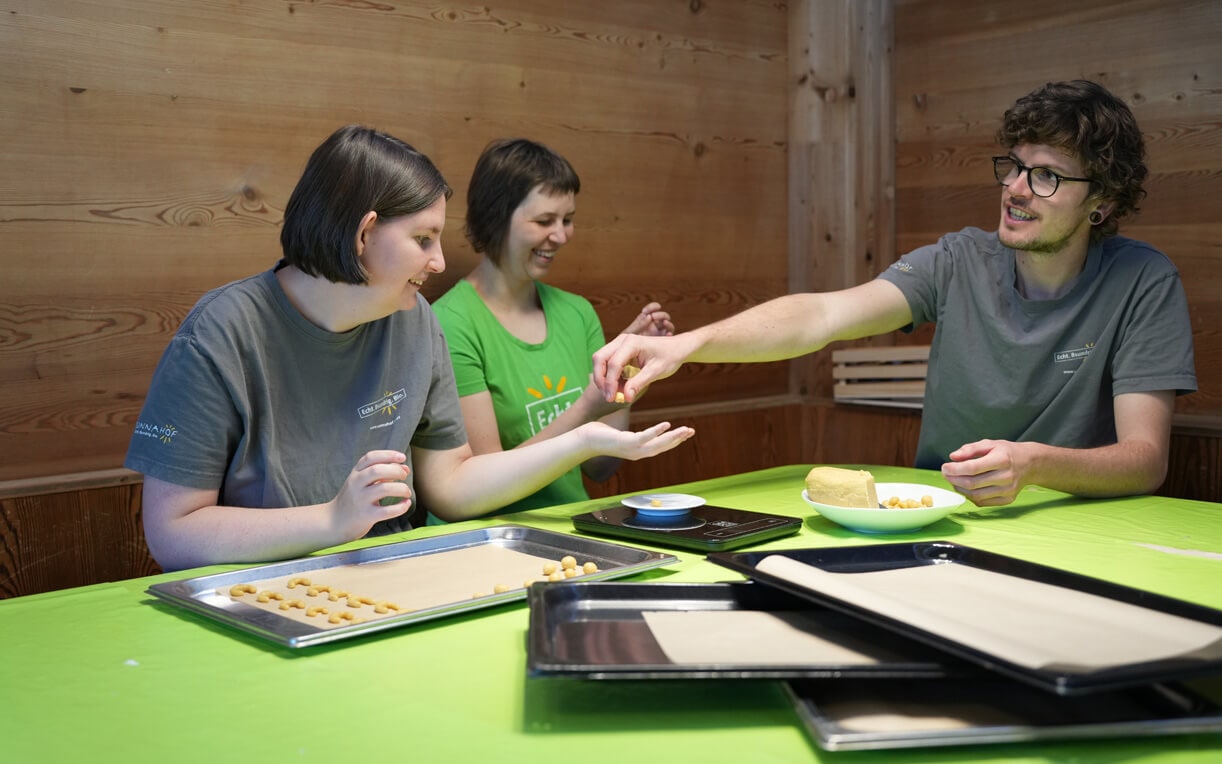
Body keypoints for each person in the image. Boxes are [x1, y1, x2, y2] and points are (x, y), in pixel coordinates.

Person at [592, 80, 1196, 507]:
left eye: (1046, 176)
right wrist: (689, 345)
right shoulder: (959, 259)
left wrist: (1034, 464)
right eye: (1012, 167)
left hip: (1077, 523)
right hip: (941, 515)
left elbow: (1144, 459)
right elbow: (823, 314)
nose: (1015, 188)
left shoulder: (1142, 280)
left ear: (1103, 202)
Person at [125, 125, 693, 571]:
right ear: (363, 234)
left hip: (395, 576)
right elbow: (172, 533)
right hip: (261, 589)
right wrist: (331, 521)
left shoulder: (414, 320)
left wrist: (586, 437)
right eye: (423, 239)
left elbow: (453, 488)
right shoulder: (221, 333)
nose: (439, 262)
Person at [431, 138, 674, 519]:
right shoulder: (451, 323)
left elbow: (600, 468)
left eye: (567, 220)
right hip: (484, 538)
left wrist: (628, 377)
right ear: (496, 219)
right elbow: (479, 487)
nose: (560, 235)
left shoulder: (577, 314)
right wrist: (587, 406)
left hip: (571, 529)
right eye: (544, 221)